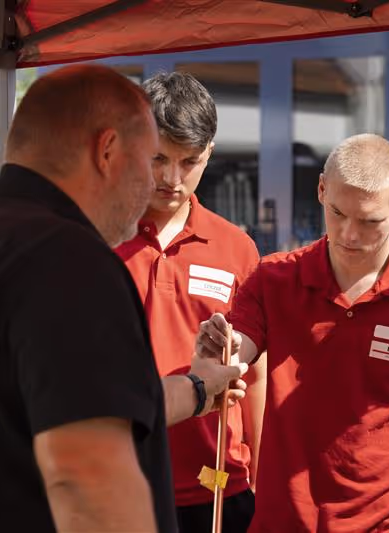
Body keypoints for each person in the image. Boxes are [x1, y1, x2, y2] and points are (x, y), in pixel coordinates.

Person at [0, 65, 247, 532]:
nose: (163, 183)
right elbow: (90, 476)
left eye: (186, 162)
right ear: (108, 152)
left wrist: (198, 389)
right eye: (151, 161)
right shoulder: (72, 260)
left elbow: (75, 406)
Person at [195, 133, 389, 532]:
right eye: (337, 213)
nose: (349, 234)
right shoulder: (274, 279)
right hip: (287, 521)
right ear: (320, 189)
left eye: (369, 221)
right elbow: (240, 346)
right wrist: (225, 351)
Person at [115, 71, 264, 533]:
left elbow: (254, 375)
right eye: (159, 158)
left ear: (210, 154)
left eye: (189, 161)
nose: (172, 178)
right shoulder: (96, 234)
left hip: (216, 485)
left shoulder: (237, 248)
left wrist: (262, 475)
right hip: (116, 480)